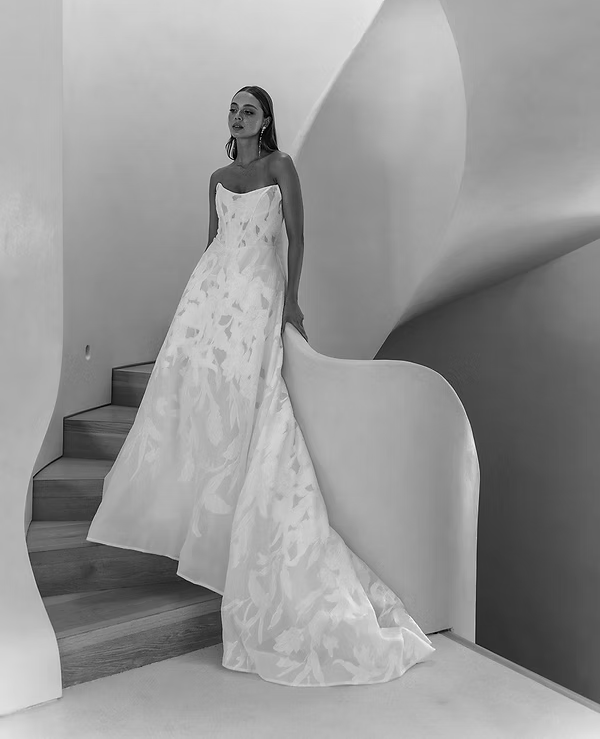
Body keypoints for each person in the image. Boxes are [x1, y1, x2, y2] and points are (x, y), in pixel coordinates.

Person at [86, 85, 435, 687]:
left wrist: (291, 301)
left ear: (266, 119)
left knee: (250, 405)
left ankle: (239, 537)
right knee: (197, 406)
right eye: (233, 109)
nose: (239, 115)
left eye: (249, 109)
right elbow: (213, 242)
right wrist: (193, 307)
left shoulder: (282, 167)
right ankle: (203, 526)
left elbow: (298, 235)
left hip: (259, 293)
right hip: (214, 293)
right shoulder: (219, 175)